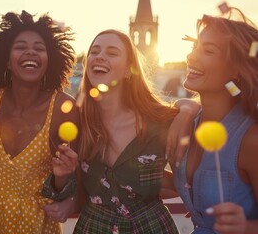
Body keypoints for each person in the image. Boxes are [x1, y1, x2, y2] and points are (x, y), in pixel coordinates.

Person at [48, 29, 188, 233]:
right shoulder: (78, 121)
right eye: (94, 52)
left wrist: (188, 109)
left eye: (112, 52)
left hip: (150, 227)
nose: (100, 56)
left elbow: (183, 178)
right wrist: (61, 176)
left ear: (128, 71)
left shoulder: (160, 121)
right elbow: (69, 189)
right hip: (94, 227)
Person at [0, 10, 80, 233]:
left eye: (39, 48)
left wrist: (61, 179)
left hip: (37, 223)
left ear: (48, 61)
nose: (30, 51)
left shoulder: (63, 107)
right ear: (8, 61)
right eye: (20, 47)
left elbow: (72, 181)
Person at [172, 8, 258, 233]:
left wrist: (246, 227)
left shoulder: (251, 140)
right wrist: (184, 108)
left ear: (236, 70)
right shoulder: (187, 124)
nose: (191, 56)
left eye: (208, 51)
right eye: (194, 47)